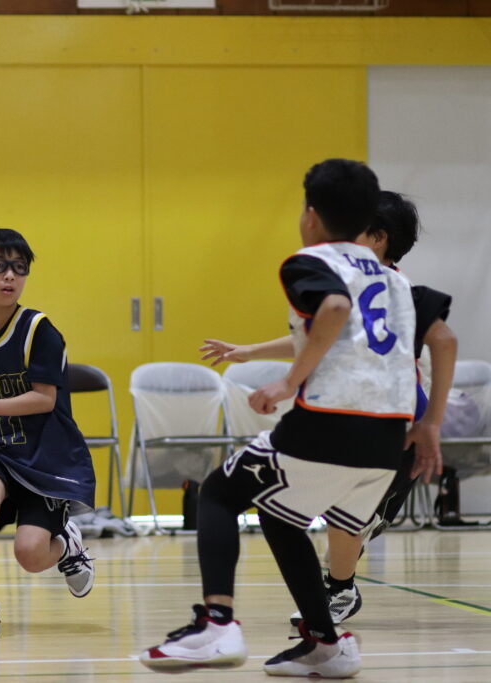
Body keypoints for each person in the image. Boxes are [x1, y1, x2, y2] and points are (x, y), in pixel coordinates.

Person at [139, 159, 417, 678]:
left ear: (310, 215)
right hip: (387, 442)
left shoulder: (312, 261)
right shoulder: (395, 281)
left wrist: (288, 383)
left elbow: (333, 310)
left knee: (218, 493)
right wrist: (431, 426)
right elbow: (440, 338)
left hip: (331, 425)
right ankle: (326, 645)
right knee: (278, 511)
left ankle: (217, 624)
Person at [201, 190, 457, 627]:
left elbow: (331, 322)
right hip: (386, 421)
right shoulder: (389, 285)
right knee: (323, 516)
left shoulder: (380, 285)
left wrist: (287, 381)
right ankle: (334, 604)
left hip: (386, 420)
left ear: (378, 237)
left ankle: (331, 596)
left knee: (315, 515)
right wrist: (250, 351)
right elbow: (324, 332)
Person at [0, 227, 96, 643]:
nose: (9, 275)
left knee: (29, 554)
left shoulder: (38, 329)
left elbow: (44, 399)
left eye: (19, 267)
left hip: (43, 454)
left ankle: (67, 545)